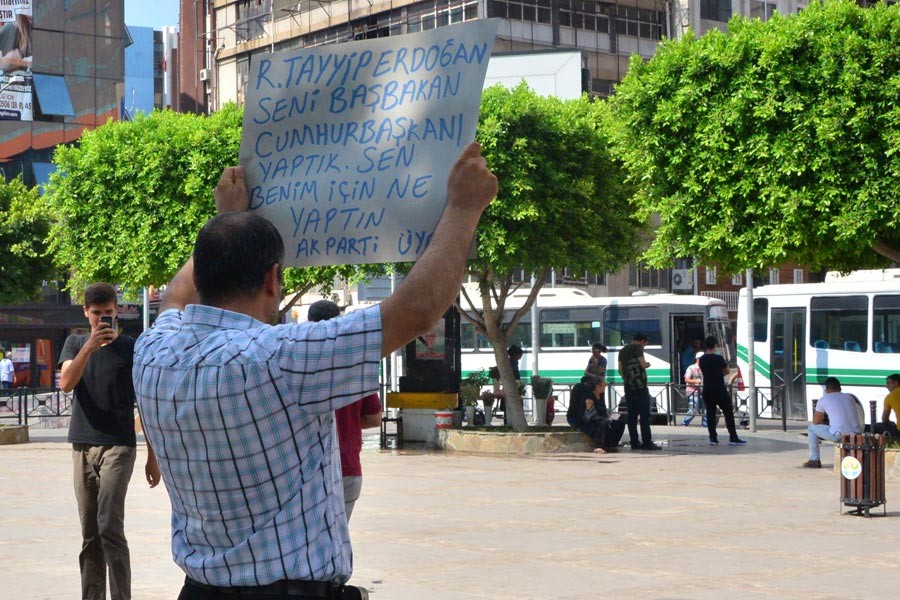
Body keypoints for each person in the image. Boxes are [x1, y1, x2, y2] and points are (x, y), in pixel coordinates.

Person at [133, 142, 497, 599]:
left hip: (199, 590)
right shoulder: (280, 357)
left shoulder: (153, 351)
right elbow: (416, 310)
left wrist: (224, 220)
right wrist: (464, 207)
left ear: (202, 278)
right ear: (272, 278)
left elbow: (173, 297)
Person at [59, 282, 161, 600]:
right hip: (82, 443)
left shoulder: (131, 348)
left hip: (119, 444)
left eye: (108, 313)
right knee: (90, 532)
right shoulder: (75, 343)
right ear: (86, 312)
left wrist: (152, 456)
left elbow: (146, 402)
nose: (103, 319)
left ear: (116, 310)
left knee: (108, 524)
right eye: (97, 314)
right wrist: (90, 347)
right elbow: (65, 383)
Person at [307, 299, 382, 522]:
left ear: (310, 324)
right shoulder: (356, 365)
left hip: (308, 472)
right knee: (339, 540)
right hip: (348, 468)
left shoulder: (300, 363)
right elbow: (374, 418)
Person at [803, 377, 862, 468]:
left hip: (839, 435)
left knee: (811, 428)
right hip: (857, 433)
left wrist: (825, 423)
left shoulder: (823, 400)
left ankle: (814, 459)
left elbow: (816, 421)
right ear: (840, 388)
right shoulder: (850, 398)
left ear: (827, 390)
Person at [698, 336, 746, 446]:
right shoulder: (719, 358)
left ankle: (713, 438)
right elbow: (727, 371)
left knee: (710, 413)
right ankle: (733, 437)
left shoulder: (702, 359)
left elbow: (704, 371)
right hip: (719, 389)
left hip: (707, 389)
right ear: (715, 345)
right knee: (728, 412)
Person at [618, 333, 660, 451]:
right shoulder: (638, 348)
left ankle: (634, 442)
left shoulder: (622, 350)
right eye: (645, 344)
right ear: (642, 341)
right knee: (644, 415)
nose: (644, 346)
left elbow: (620, 369)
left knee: (632, 416)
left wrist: (627, 379)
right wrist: (648, 364)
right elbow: (642, 363)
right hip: (640, 387)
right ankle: (647, 442)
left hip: (628, 386)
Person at [581, 378, 625, 453]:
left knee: (620, 424)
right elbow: (587, 416)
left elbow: (603, 410)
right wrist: (588, 408)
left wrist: (608, 414)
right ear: (598, 386)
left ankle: (612, 445)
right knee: (603, 423)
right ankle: (598, 446)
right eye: (603, 385)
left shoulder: (601, 396)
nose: (605, 386)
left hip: (602, 419)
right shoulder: (589, 397)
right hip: (592, 422)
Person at [873, 373, 900, 438]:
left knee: (876, 426)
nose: (886, 386)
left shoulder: (890, 397)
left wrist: (891, 423)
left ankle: (879, 444)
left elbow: (884, 419)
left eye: (888, 383)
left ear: (896, 383)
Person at [682, 351, 703, 427]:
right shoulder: (691, 368)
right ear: (697, 359)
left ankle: (705, 425)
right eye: (701, 358)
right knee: (694, 410)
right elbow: (686, 379)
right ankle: (684, 422)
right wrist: (696, 381)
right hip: (693, 392)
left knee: (706, 410)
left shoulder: (705, 367)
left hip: (703, 392)